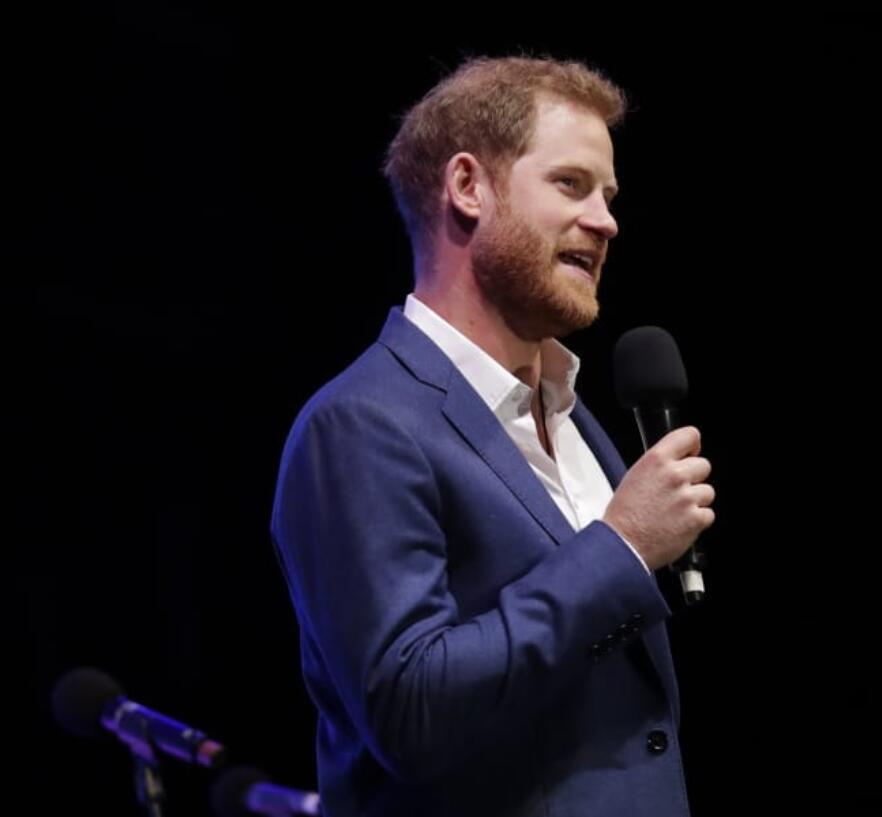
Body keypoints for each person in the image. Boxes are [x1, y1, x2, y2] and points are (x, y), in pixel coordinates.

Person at [271, 56, 714, 817]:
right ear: (469, 187)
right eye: (571, 185)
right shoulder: (361, 424)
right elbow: (409, 711)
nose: (607, 220)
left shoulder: (576, 418)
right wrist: (625, 546)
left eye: (608, 196)